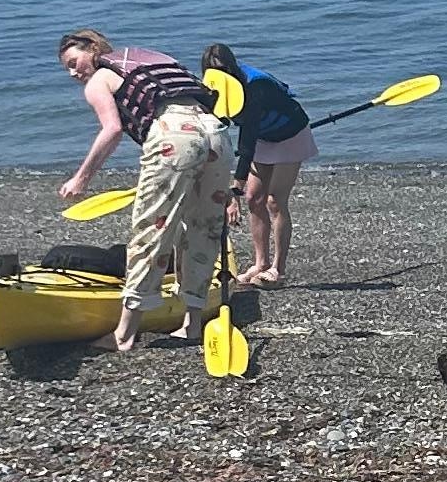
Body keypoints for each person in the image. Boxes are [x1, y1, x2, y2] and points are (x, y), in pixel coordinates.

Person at [55, 26, 234, 352]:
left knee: (152, 232)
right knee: (204, 229)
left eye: (73, 61)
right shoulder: (148, 59)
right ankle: (192, 325)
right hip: (217, 134)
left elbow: (112, 129)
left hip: (174, 135)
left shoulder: (99, 78)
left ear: (93, 50)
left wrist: (81, 178)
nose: (72, 72)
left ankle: (124, 333)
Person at [200, 44, 315, 289]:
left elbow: (247, 143)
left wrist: (235, 190)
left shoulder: (255, 88)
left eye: (224, 70)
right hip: (264, 137)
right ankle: (260, 263)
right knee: (254, 198)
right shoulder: (214, 88)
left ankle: (277, 269)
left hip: (290, 135)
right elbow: (218, 129)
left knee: (274, 200)